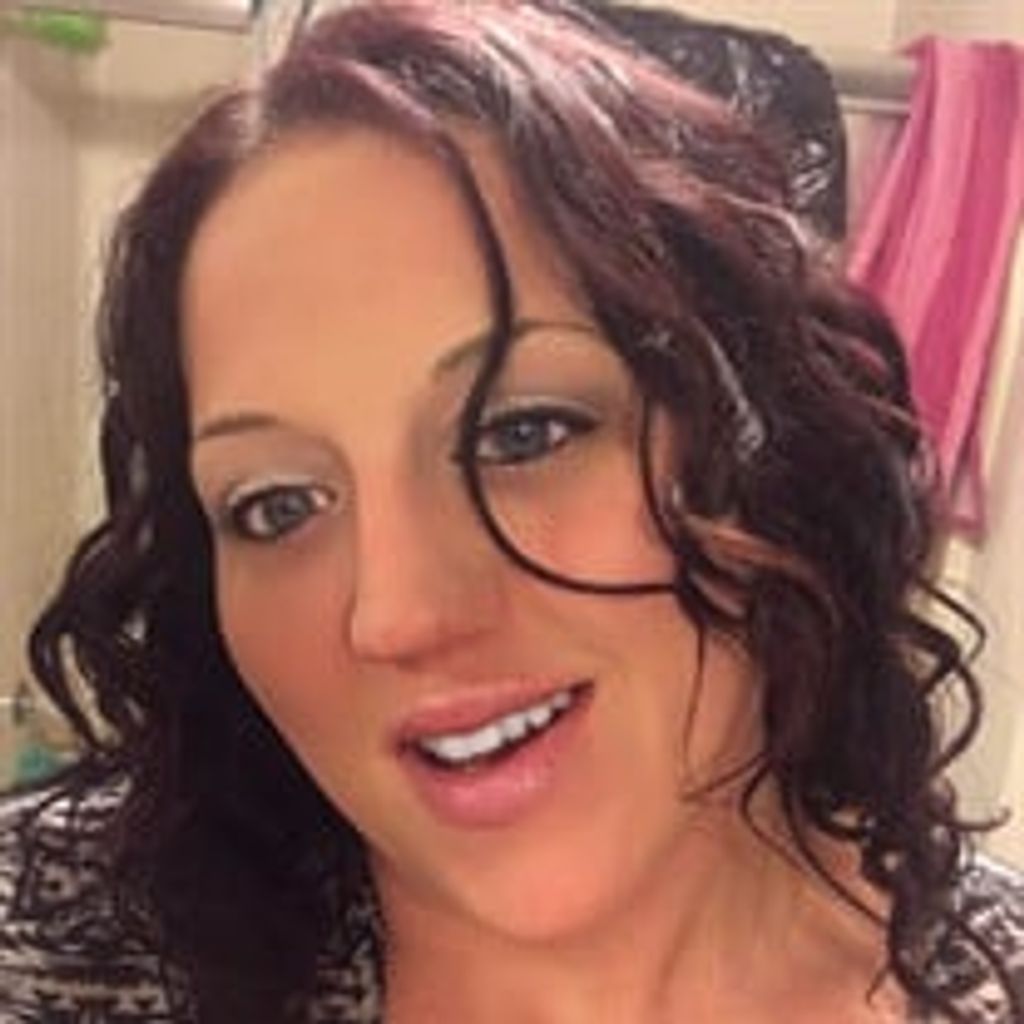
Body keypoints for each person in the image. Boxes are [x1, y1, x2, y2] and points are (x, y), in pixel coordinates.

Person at [1, 2, 1022, 1022]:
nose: (396, 616)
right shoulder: (49, 950)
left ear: (765, 440)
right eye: (278, 505)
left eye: (523, 434)